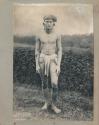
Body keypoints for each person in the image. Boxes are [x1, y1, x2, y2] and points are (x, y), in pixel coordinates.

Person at [35, 15, 62, 114]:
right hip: (42, 59)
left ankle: (54, 105)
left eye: (50, 21)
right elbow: (37, 51)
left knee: (54, 83)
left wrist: (58, 64)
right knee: (44, 83)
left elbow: (59, 50)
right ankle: (46, 103)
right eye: (47, 21)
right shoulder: (39, 34)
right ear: (44, 23)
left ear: (53, 23)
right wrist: (37, 65)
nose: (49, 23)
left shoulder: (57, 35)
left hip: (53, 59)